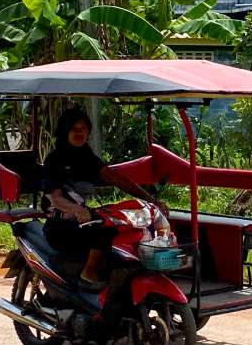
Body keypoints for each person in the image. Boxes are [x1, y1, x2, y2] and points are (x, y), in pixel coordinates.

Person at [42, 107, 166, 290]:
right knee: (103, 234)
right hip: (59, 226)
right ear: (65, 131)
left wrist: (151, 200)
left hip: (82, 220)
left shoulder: (86, 156)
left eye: (84, 129)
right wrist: (77, 209)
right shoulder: (54, 159)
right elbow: (56, 199)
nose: (80, 133)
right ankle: (88, 274)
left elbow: (117, 179)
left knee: (118, 226)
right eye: (74, 129)